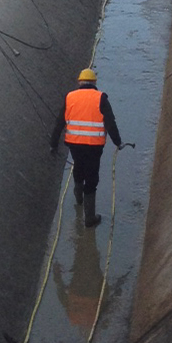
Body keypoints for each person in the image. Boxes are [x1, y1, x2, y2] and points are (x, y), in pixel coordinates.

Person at [49, 68, 123, 228]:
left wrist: (53, 144)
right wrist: (118, 142)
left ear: (79, 82)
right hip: (94, 146)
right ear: (94, 83)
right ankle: (89, 218)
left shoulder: (70, 97)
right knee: (91, 177)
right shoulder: (101, 98)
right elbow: (110, 122)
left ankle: (79, 198)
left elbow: (59, 122)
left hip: (74, 144)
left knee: (78, 167)